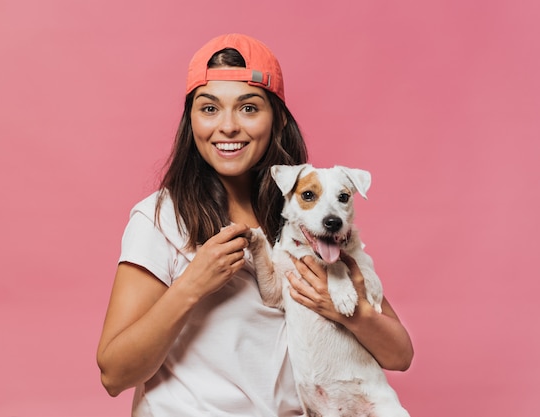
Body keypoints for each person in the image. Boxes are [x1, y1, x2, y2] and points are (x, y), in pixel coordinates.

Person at [96, 33, 413, 416]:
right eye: (209, 109)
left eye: (248, 108)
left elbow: (399, 354)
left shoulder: (303, 216)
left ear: (277, 119)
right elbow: (114, 373)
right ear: (190, 120)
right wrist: (192, 284)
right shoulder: (161, 218)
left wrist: (351, 310)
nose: (227, 126)